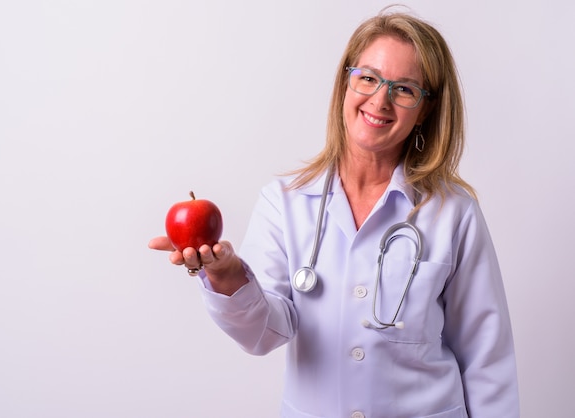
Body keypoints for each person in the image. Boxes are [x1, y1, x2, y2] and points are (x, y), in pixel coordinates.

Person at [149, 8, 519, 418]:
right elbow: (263, 335)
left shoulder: (454, 213)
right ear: (346, 82)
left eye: (405, 89)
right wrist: (225, 274)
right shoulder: (284, 203)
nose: (380, 100)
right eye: (369, 77)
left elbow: (488, 360)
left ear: (425, 110)